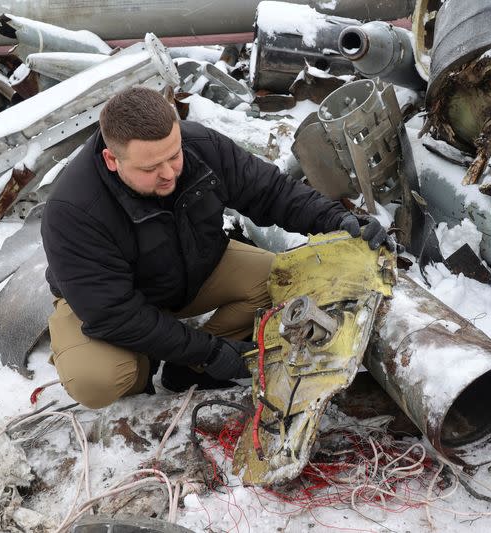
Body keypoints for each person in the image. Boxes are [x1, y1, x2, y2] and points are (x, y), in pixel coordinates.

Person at [41, 86, 393, 409]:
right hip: (109, 303)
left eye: (174, 156)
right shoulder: (72, 210)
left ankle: (186, 369)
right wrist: (210, 352)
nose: (170, 173)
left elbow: (270, 191)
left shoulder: (201, 147)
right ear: (111, 160)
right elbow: (113, 314)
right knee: (100, 380)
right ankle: (144, 367)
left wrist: (334, 218)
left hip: (193, 268)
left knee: (284, 279)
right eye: (151, 167)